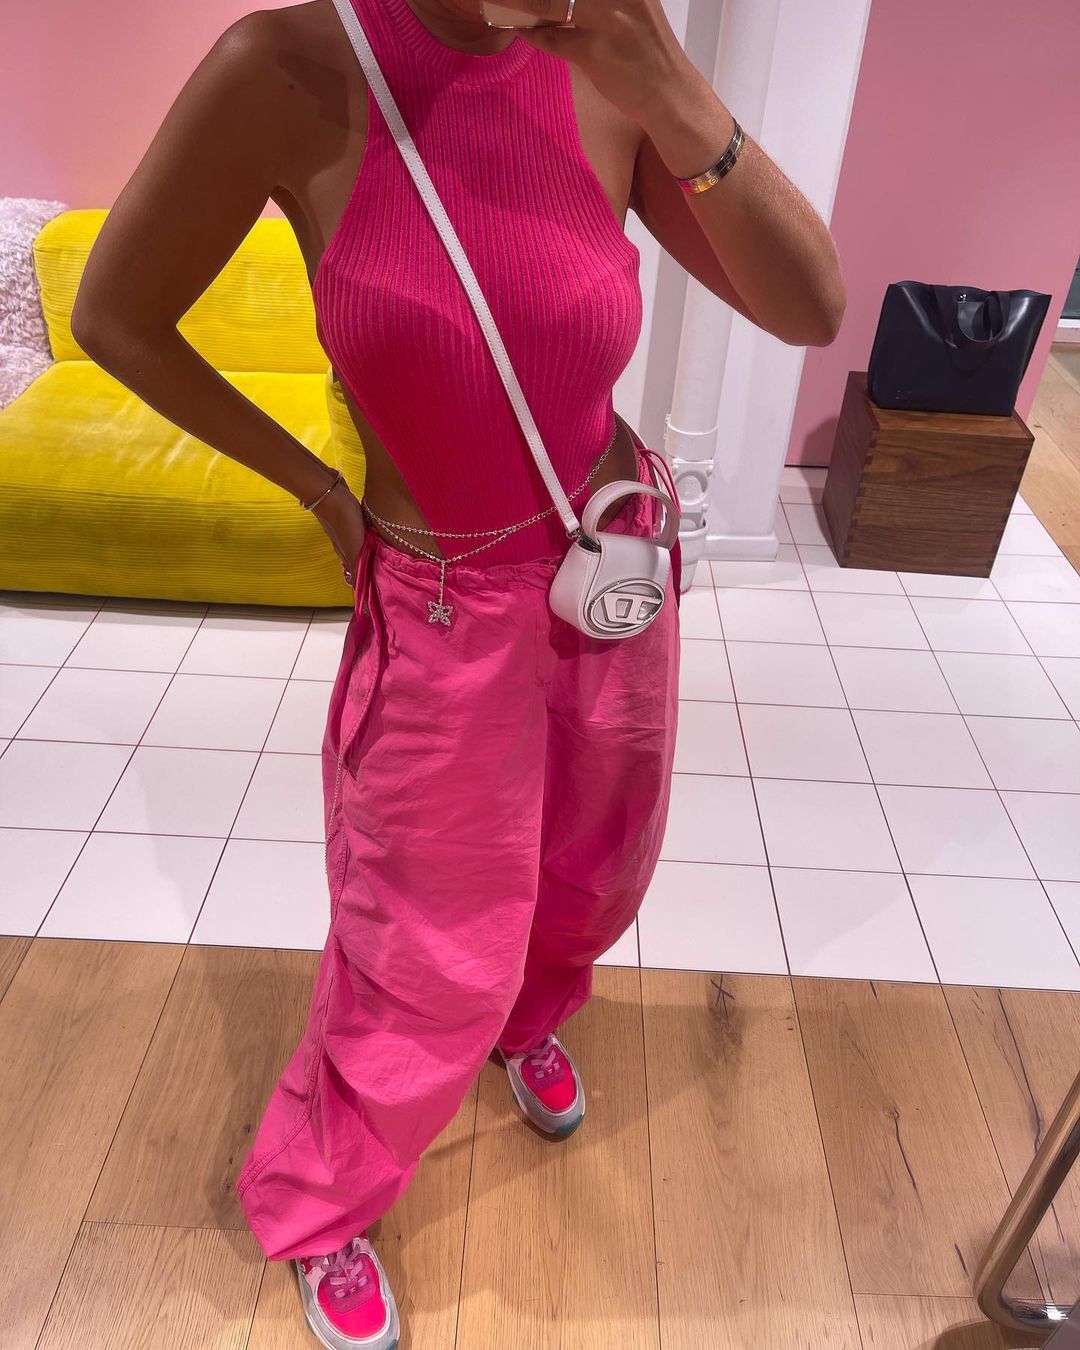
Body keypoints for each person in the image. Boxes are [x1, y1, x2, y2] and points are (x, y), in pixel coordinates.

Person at [72, 0, 845, 1344]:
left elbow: (810, 307)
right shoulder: (290, 66)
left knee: (594, 868)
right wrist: (319, 488)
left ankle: (527, 1018)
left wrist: (666, 80)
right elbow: (116, 316)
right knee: (418, 949)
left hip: (609, 567)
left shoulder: (610, 59)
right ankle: (321, 1198)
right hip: (439, 604)